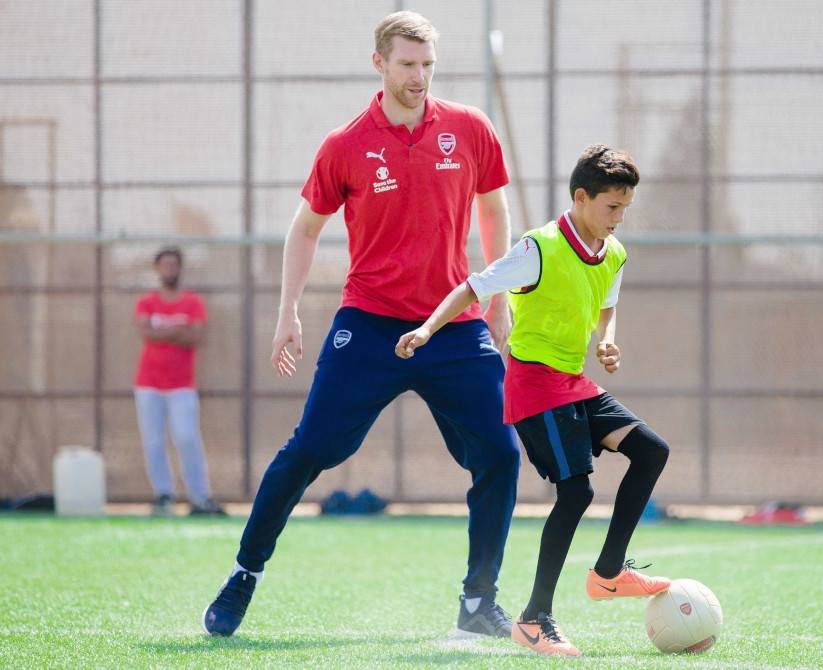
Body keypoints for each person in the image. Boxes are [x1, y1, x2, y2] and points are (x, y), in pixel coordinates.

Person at [202, 11, 520, 638]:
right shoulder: (344, 144)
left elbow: (495, 209)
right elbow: (305, 229)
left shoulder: (470, 129)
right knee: (312, 449)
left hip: (452, 324)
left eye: (427, 65)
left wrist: (498, 295)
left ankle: (478, 602)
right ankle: (245, 573)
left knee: (501, 454)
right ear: (379, 63)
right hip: (369, 325)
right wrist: (287, 311)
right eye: (407, 64)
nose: (419, 77)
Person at [396, 145, 672, 657]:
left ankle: (609, 572)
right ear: (581, 198)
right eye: (612, 207)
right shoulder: (538, 248)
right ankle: (533, 618)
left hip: (573, 381)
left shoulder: (614, 252)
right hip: (533, 385)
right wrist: (427, 328)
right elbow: (472, 288)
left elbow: (606, 303)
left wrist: (606, 339)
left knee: (652, 450)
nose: (619, 218)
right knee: (577, 492)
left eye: (626, 208)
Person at [134, 246, 225, 517]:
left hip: (182, 385)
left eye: (174, 264)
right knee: (153, 440)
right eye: (165, 265)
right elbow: (145, 332)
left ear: (180, 268)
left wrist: (163, 331)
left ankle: (199, 497)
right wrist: (177, 331)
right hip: (149, 384)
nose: (169, 269)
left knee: (187, 437)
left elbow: (196, 336)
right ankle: (164, 495)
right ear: (157, 268)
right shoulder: (147, 302)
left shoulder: (192, 303)